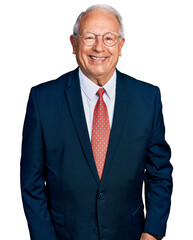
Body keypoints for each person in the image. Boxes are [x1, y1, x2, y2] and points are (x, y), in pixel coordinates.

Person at [20, 4, 173, 240]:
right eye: (89, 37)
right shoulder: (43, 100)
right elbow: (31, 182)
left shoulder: (147, 98)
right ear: (74, 43)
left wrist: (152, 232)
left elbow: (159, 173)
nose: (99, 47)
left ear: (121, 46)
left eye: (109, 38)